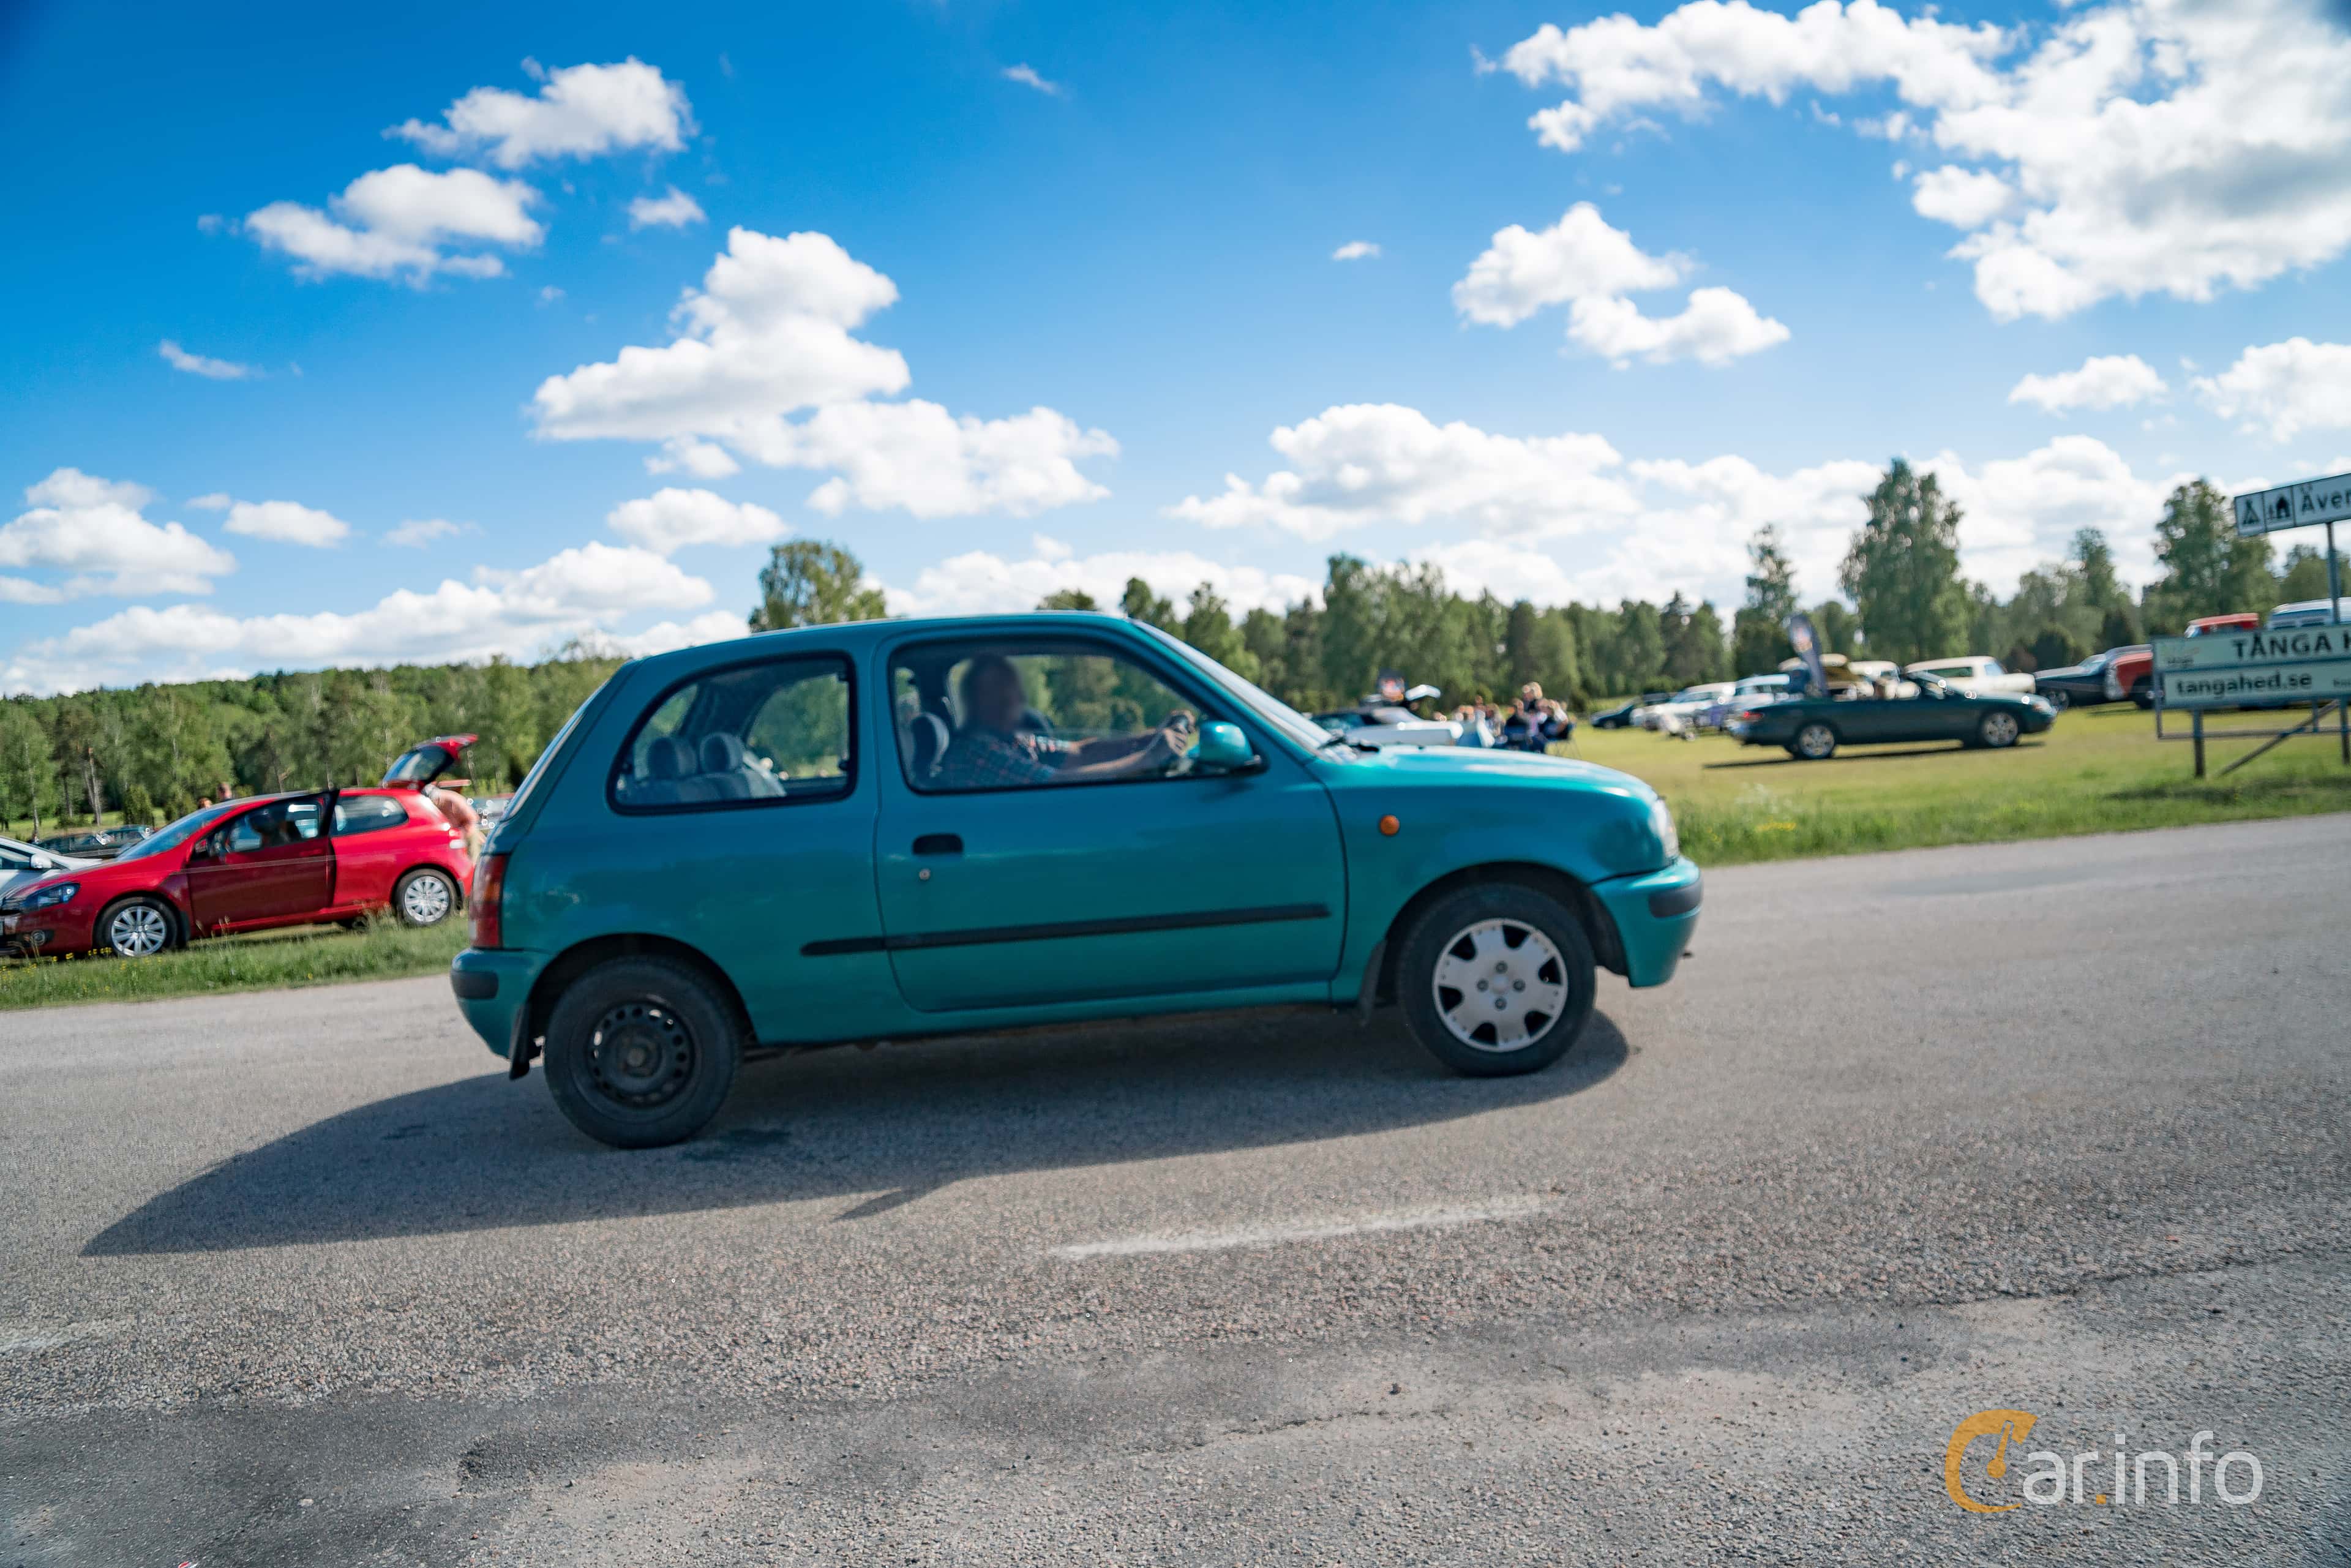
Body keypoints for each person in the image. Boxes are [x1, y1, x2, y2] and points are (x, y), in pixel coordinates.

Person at [935, 655, 1193, 789]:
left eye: (1011, 688)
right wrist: (1147, 759)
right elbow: (1058, 781)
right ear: (977, 699)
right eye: (999, 690)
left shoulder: (1011, 740)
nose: (1014, 697)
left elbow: (1080, 751)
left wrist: (1153, 737)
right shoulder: (977, 751)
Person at [427, 777, 484, 858]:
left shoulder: (453, 800)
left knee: (472, 857)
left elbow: (472, 819)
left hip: (468, 833)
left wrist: (461, 834)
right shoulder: (433, 807)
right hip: (451, 836)